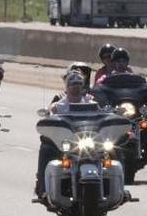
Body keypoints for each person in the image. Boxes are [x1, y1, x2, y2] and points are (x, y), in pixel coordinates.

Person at [34, 70, 100, 200]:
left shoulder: (91, 102)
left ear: (83, 85)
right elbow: (50, 119)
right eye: (73, 83)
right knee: (47, 149)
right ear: (67, 86)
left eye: (79, 83)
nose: (76, 87)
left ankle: (120, 187)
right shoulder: (58, 106)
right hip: (65, 142)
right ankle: (43, 189)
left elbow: (100, 116)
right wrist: (50, 115)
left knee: (112, 150)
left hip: (86, 141)